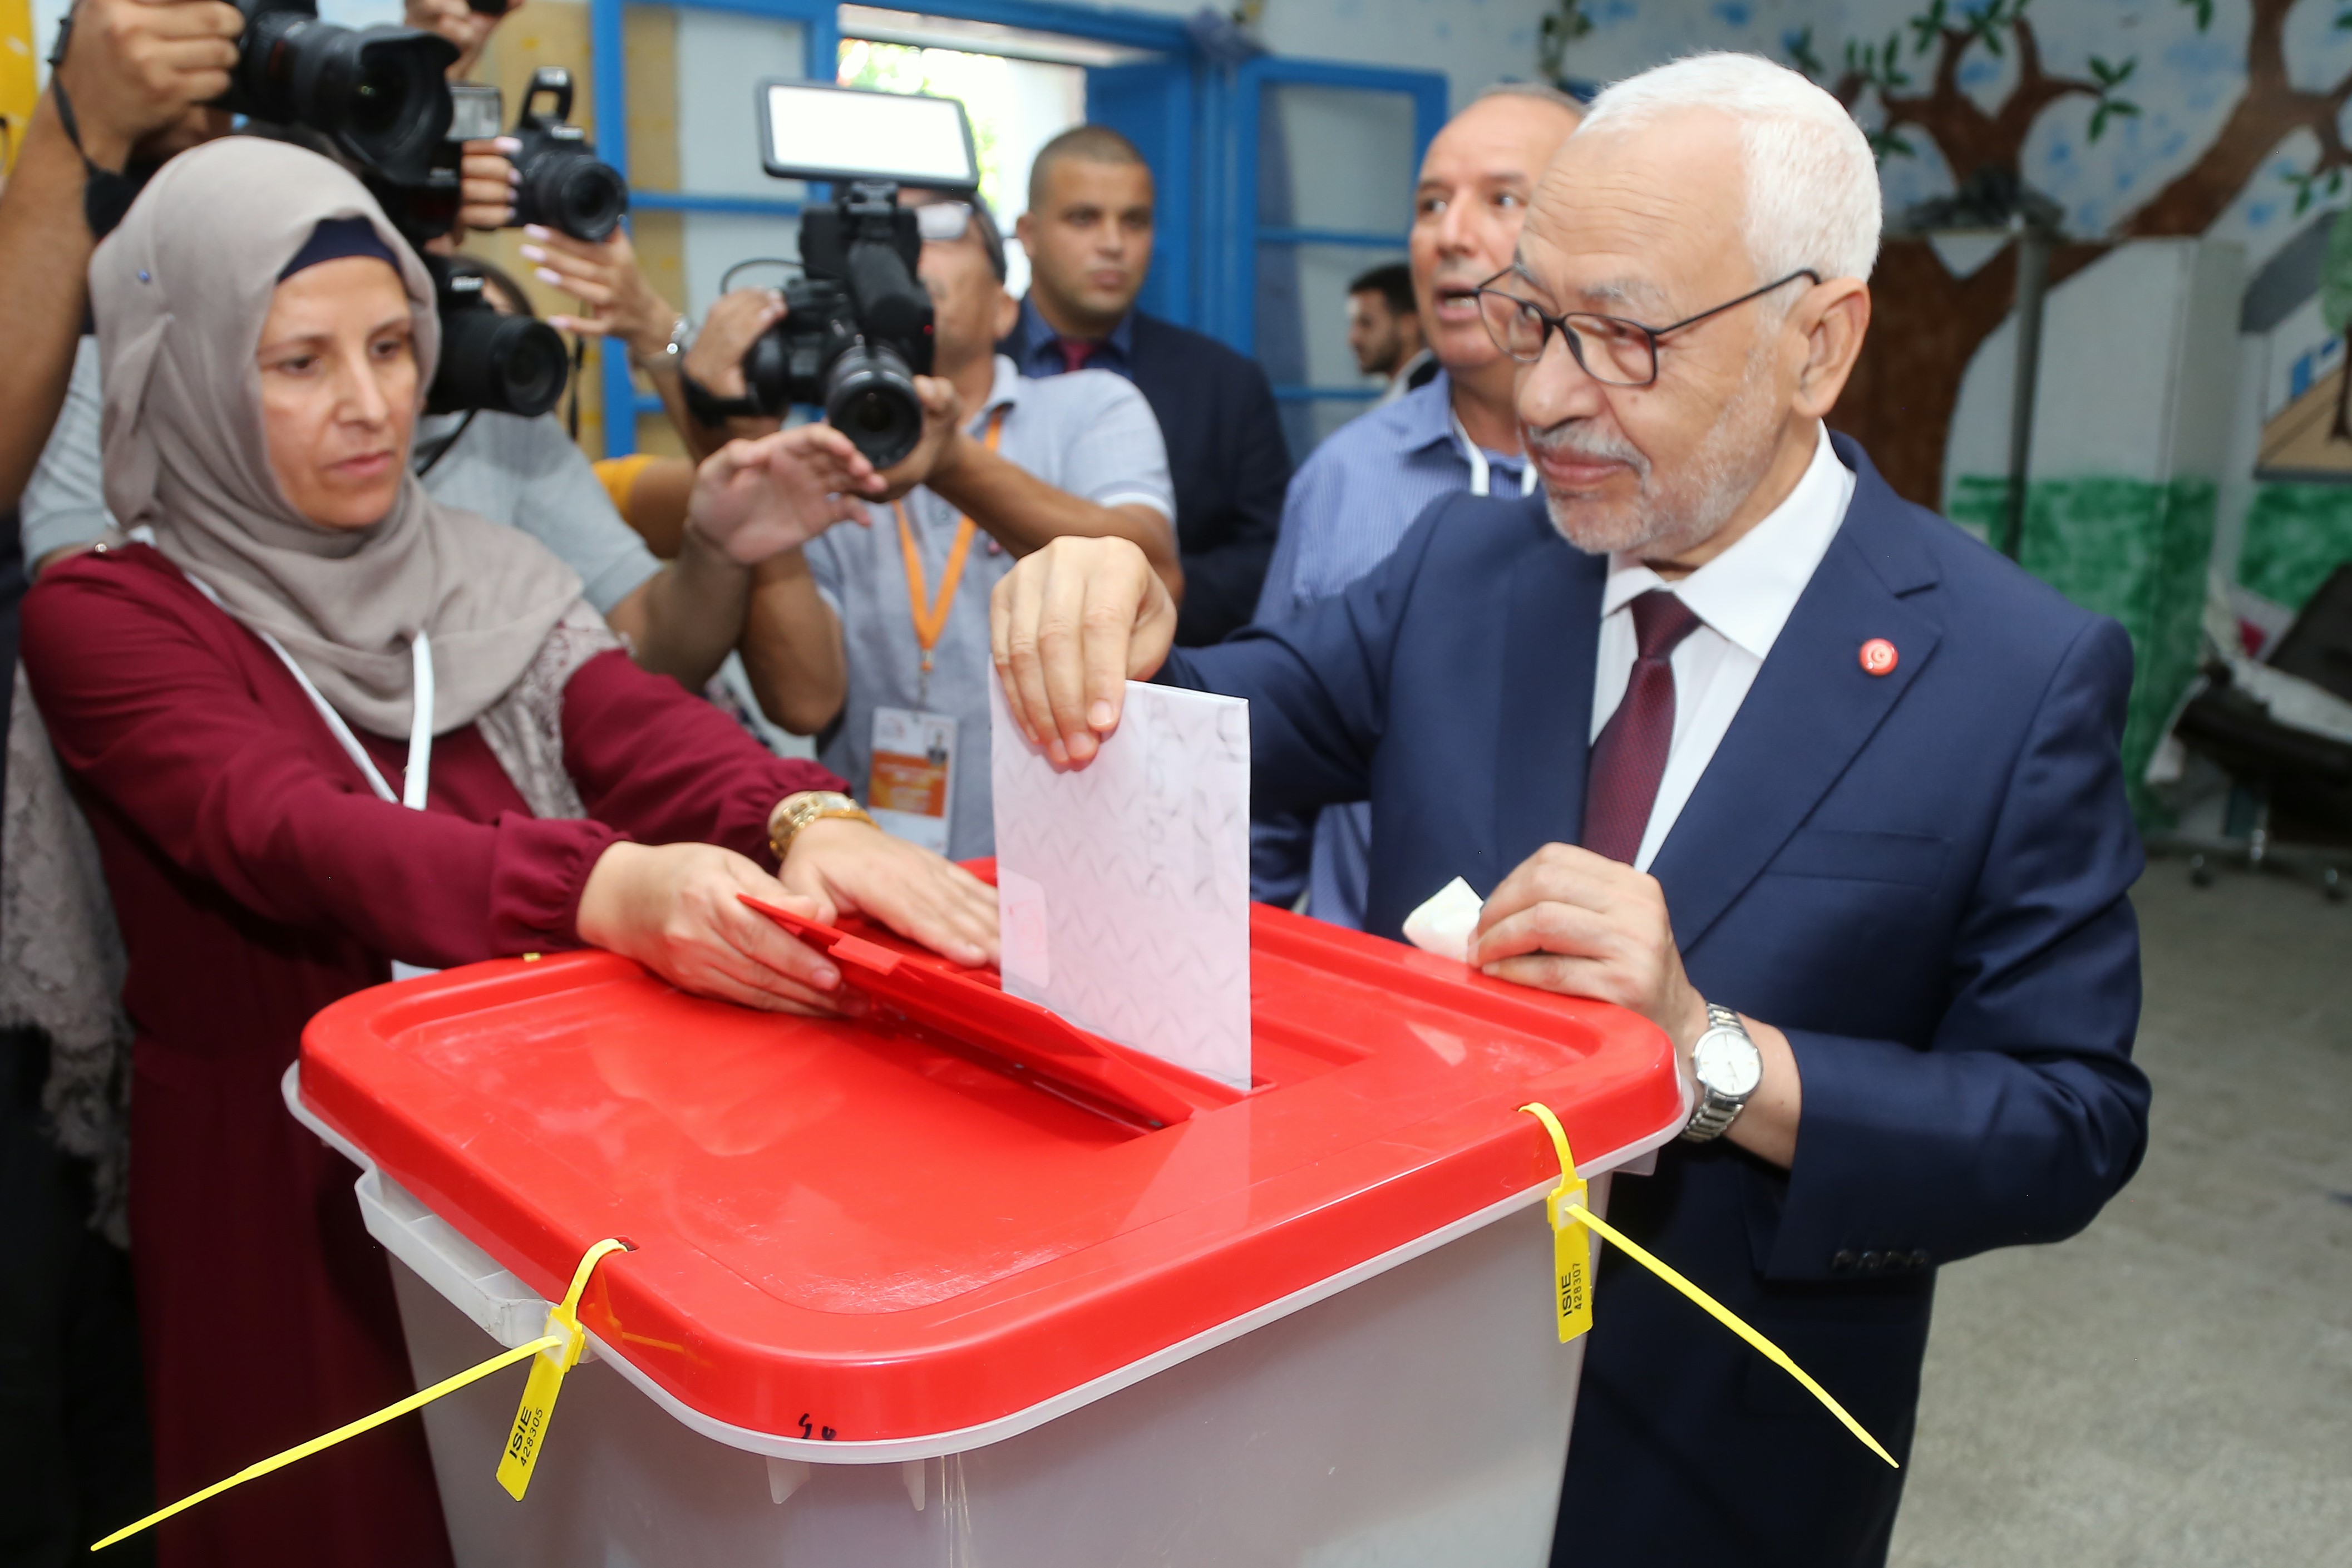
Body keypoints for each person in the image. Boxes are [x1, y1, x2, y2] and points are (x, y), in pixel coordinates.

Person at [988, 53, 2149, 1567]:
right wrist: (1100, 613)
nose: (1542, 397)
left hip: (1718, 1467)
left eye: (1624, 337)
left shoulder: (2010, 672)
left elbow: (2068, 1120)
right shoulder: (1461, 576)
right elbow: (1200, 715)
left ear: (1815, 343)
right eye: (1535, 320)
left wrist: (1713, 1062)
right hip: (1373, 1427)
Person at [21, 139, 997, 1568]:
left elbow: (634, 723)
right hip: (277, 1190)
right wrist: (600, 884)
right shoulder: (109, 615)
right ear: (184, 367)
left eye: (391, 345)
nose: (370, 406)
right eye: (297, 364)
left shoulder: (475, 568)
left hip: (525, 1172)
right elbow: (280, 829)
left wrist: (805, 816)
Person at [672, 194, 1177, 860]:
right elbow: (804, 703)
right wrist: (743, 434)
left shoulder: (1092, 407)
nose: (902, 255)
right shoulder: (815, 453)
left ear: (1004, 306)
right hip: (879, 871)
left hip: (1073, 861)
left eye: (936, 231)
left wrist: (950, 461)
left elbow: (1154, 575)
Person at [1251, 82, 1581, 926]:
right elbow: (1269, 774)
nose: (1448, 236)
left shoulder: (1644, 488)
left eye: (1500, 200)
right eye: (1430, 204)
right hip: (1366, 998)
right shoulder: (1343, 477)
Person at [1007, 124, 1290, 646]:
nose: (1113, 244)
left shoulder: (1225, 384)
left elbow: (1265, 560)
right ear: (1028, 234)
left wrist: (1134, 605)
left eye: (1134, 222)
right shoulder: (971, 369)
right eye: (1083, 218)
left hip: (1162, 681)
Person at [1345, 260, 1430, 401]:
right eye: (1353, 324)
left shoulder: (1430, 397)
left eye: (1366, 323)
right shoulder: (1403, 394)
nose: (1353, 338)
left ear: (1409, 325)